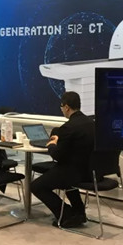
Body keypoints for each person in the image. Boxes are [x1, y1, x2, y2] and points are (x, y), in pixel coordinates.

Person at [30, 91, 94, 228]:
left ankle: (67, 214)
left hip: (73, 172)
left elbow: (57, 156)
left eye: (61, 107)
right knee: (62, 177)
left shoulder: (68, 127)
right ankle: (79, 212)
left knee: (36, 186)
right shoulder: (91, 123)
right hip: (90, 171)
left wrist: (52, 144)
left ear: (66, 107)